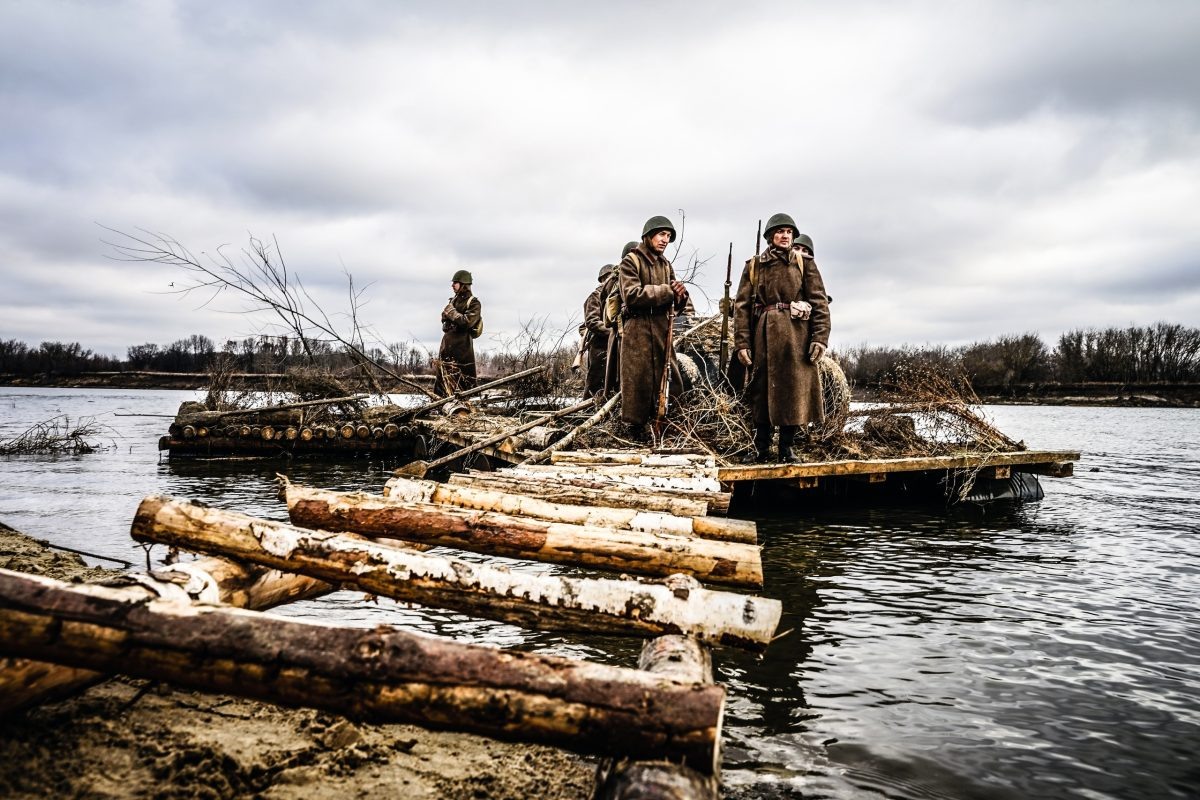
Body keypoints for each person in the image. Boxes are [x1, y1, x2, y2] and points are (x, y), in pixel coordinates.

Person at [733, 213, 830, 462]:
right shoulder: (754, 266)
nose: (785, 235)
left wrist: (820, 337)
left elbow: (819, 302)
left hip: (796, 336)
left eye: (789, 231)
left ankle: (787, 448)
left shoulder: (804, 263)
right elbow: (741, 307)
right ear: (770, 237)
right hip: (763, 335)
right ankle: (761, 448)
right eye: (780, 231)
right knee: (761, 391)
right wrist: (742, 342)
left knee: (793, 391)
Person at [617, 217, 689, 440]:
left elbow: (675, 301)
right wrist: (668, 291)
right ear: (648, 236)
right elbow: (631, 295)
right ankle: (635, 432)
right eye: (661, 235)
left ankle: (667, 426)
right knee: (637, 382)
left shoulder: (666, 265)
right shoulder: (631, 261)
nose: (665, 240)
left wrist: (680, 294)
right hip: (637, 329)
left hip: (661, 328)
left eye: (668, 236)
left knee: (670, 379)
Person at [436, 269, 483, 395]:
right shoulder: (453, 301)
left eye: (455, 282)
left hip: (462, 347)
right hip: (447, 345)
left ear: (464, 284)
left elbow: (467, 322)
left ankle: (468, 407)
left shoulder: (474, 303)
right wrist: (446, 318)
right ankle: (439, 403)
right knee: (442, 379)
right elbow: (444, 319)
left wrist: (452, 313)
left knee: (465, 380)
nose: (452, 285)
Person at [602, 241, 638, 398]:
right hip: (621, 332)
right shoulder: (619, 276)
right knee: (620, 376)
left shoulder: (618, 276)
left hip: (628, 333)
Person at [581, 264, 614, 398]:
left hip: (614, 346)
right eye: (609, 277)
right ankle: (586, 412)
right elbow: (592, 322)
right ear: (603, 279)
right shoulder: (595, 296)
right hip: (600, 347)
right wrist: (613, 332)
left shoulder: (616, 295)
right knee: (595, 384)